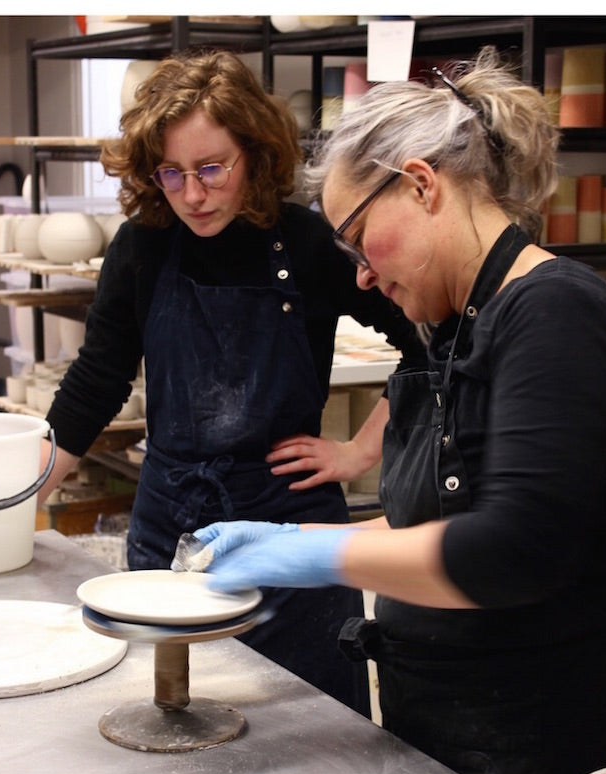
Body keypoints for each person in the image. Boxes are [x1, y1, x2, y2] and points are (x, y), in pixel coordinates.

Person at [191, 51, 606, 774]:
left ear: (423, 184)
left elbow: (513, 551)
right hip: (449, 744)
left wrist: (318, 550)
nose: (360, 274)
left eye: (359, 239)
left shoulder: (555, 312)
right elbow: (433, 515)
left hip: (543, 763)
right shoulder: (452, 324)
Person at [40, 49, 421, 715]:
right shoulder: (142, 246)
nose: (192, 193)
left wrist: (361, 449)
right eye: (172, 172)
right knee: (173, 727)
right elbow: (96, 382)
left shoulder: (307, 242)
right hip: (170, 527)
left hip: (291, 527)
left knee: (315, 736)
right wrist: (13, 497)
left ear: (255, 150)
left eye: (212, 168)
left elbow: (425, 337)